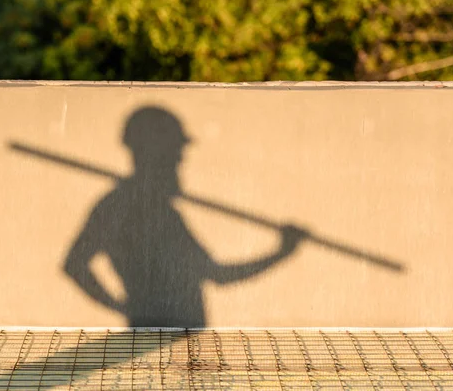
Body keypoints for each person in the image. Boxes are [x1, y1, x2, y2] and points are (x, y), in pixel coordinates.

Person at [64, 106, 308, 327]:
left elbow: (75, 264)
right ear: (152, 155)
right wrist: (282, 252)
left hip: (169, 340)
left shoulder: (144, 208)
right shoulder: (130, 208)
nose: (180, 160)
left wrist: (124, 307)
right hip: (166, 344)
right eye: (173, 153)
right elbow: (218, 276)